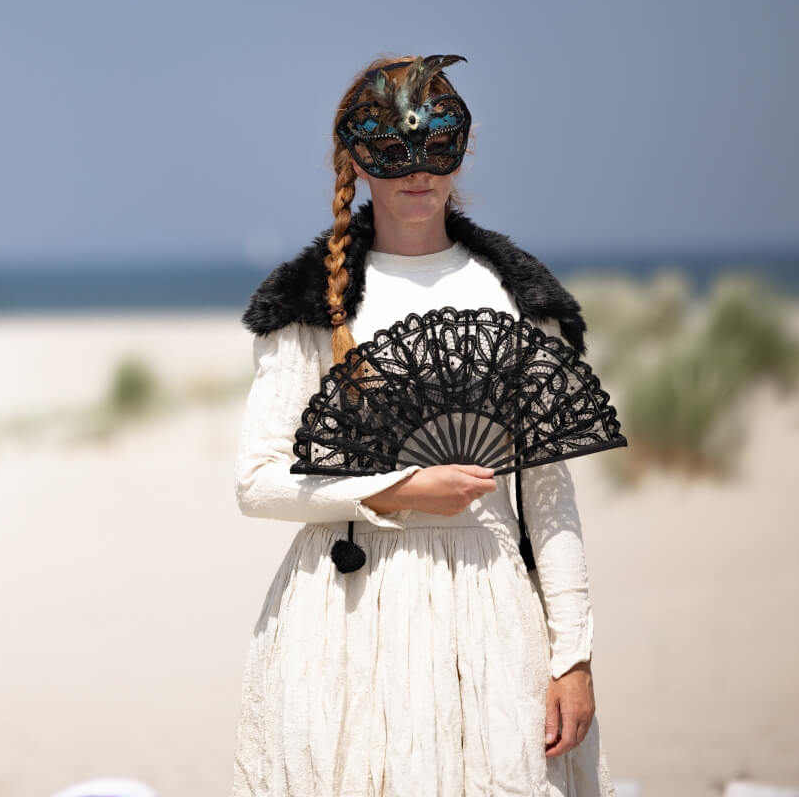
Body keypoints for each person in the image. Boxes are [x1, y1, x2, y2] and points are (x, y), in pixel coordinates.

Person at [230, 55, 614, 796]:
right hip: (342, 614)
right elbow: (256, 482)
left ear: (461, 149)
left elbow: (548, 496)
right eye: (389, 147)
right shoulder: (309, 302)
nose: (417, 170)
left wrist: (572, 658)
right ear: (354, 158)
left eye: (436, 144)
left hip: (490, 609)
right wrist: (393, 489)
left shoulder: (512, 294)